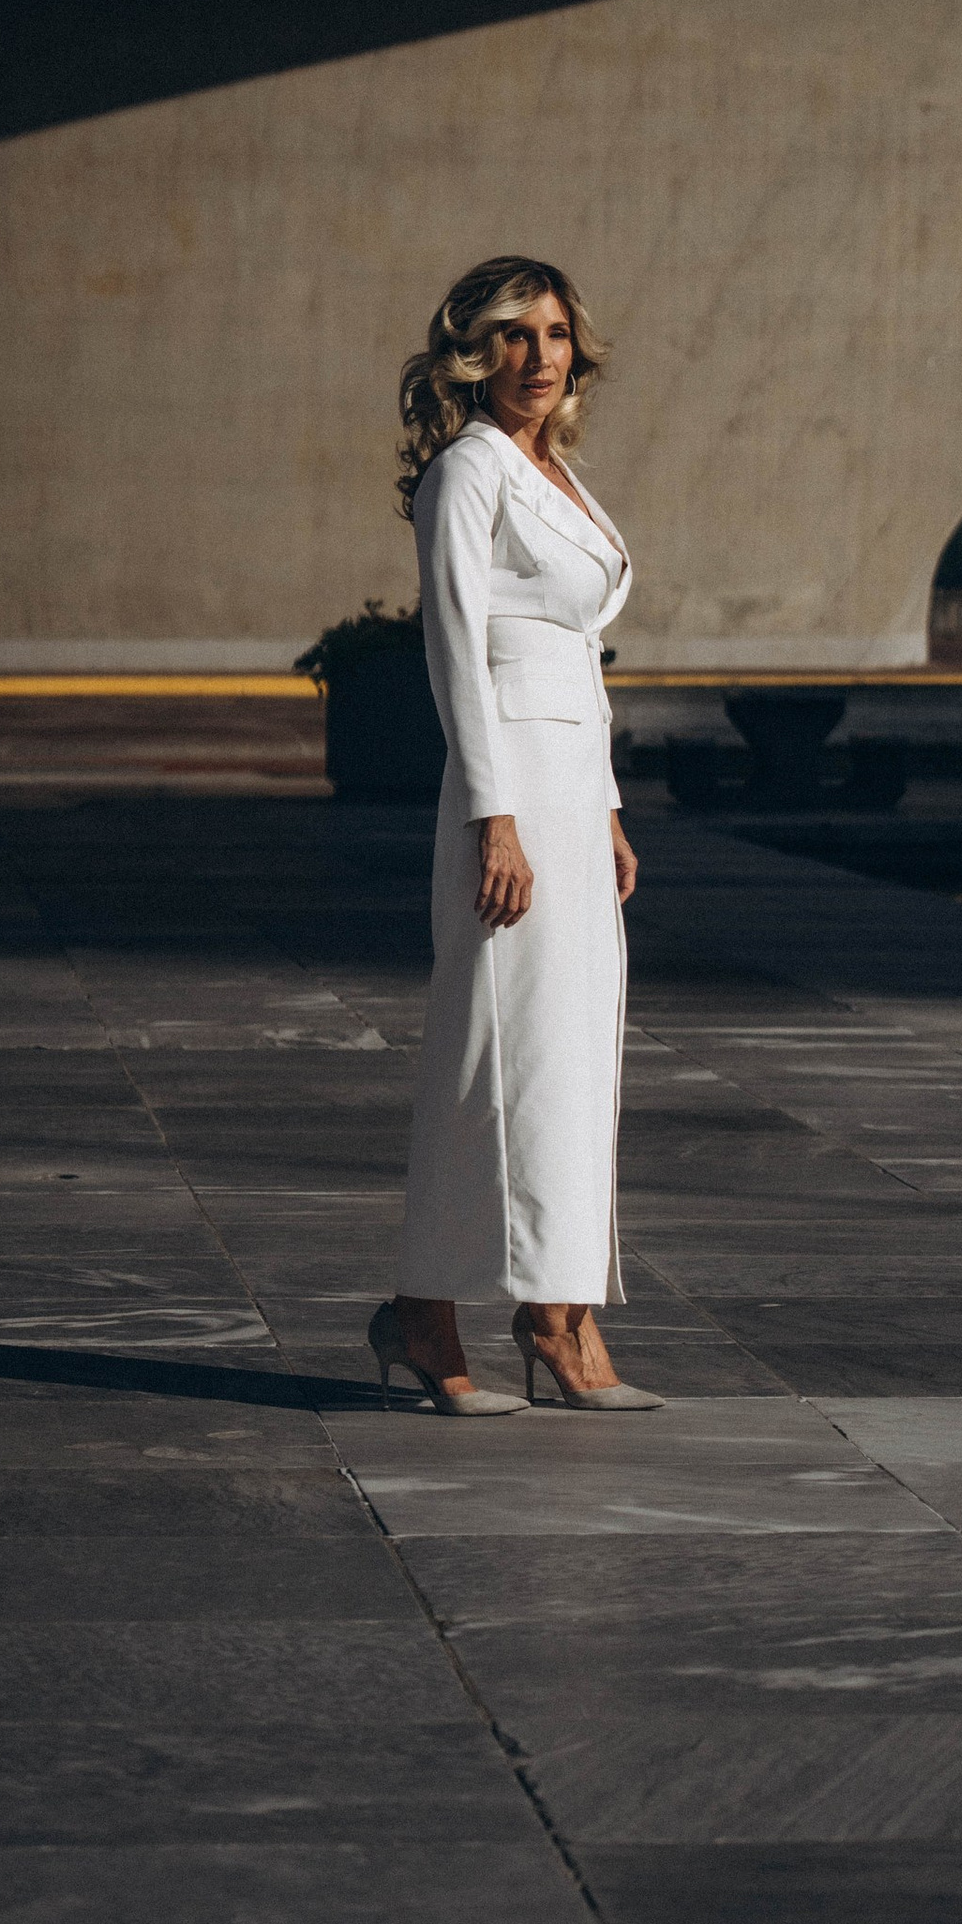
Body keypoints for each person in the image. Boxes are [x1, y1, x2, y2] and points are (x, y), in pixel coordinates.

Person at [368, 256, 662, 1415]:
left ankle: (556, 1308)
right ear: (470, 350)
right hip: (506, 800)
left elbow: (573, 658)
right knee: (494, 1052)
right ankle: (438, 1312)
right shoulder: (468, 471)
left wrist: (604, 807)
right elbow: (456, 653)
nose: (537, 357)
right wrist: (497, 816)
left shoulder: (562, 476)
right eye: (511, 335)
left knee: (575, 1057)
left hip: (569, 795)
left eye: (552, 334)